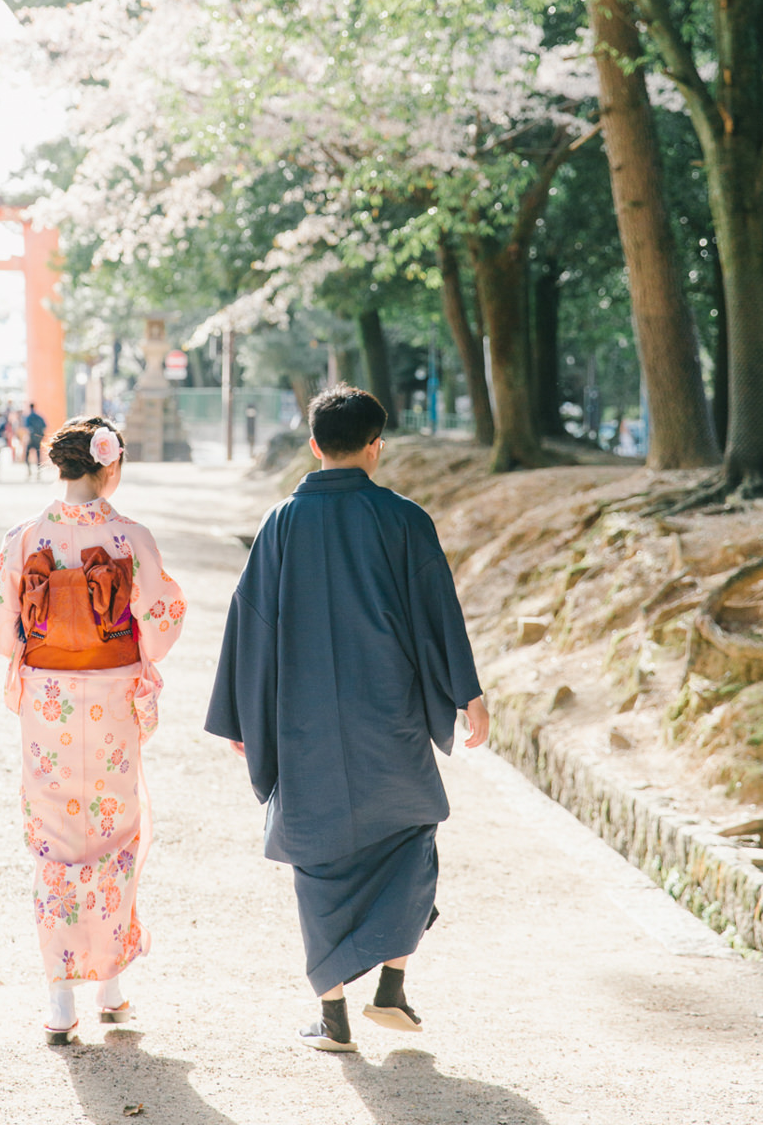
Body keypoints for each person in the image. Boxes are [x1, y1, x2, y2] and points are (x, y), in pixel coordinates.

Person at [205, 383, 488, 1053]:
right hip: (388, 713)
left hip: (304, 722)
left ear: (313, 445)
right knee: (410, 832)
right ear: (375, 447)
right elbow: (436, 613)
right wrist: (467, 693)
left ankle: (332, 1017)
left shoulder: (280, 524)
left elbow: (251, 625)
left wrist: (245, 717)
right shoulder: (404, 520)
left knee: (317, 857)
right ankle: (391, 987)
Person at [0, 416, 185, 1044]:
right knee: (115, 826)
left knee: (54, 833)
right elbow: (164, 616)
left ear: (60, 466)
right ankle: (112, 988)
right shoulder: (130, 537)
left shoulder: (26, 537)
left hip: (49, 700)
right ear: (109, 467)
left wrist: (36, 648)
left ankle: (59, 999)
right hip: (113, 695)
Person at [24, 402, 48, 477]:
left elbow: (28, 428)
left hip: (31, 438)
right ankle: (38, 471)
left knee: (27, 454)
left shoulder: (28, 417)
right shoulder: (39, 416)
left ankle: (29, 470)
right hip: (38, 438)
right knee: (38, 455)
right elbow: (45, 426)